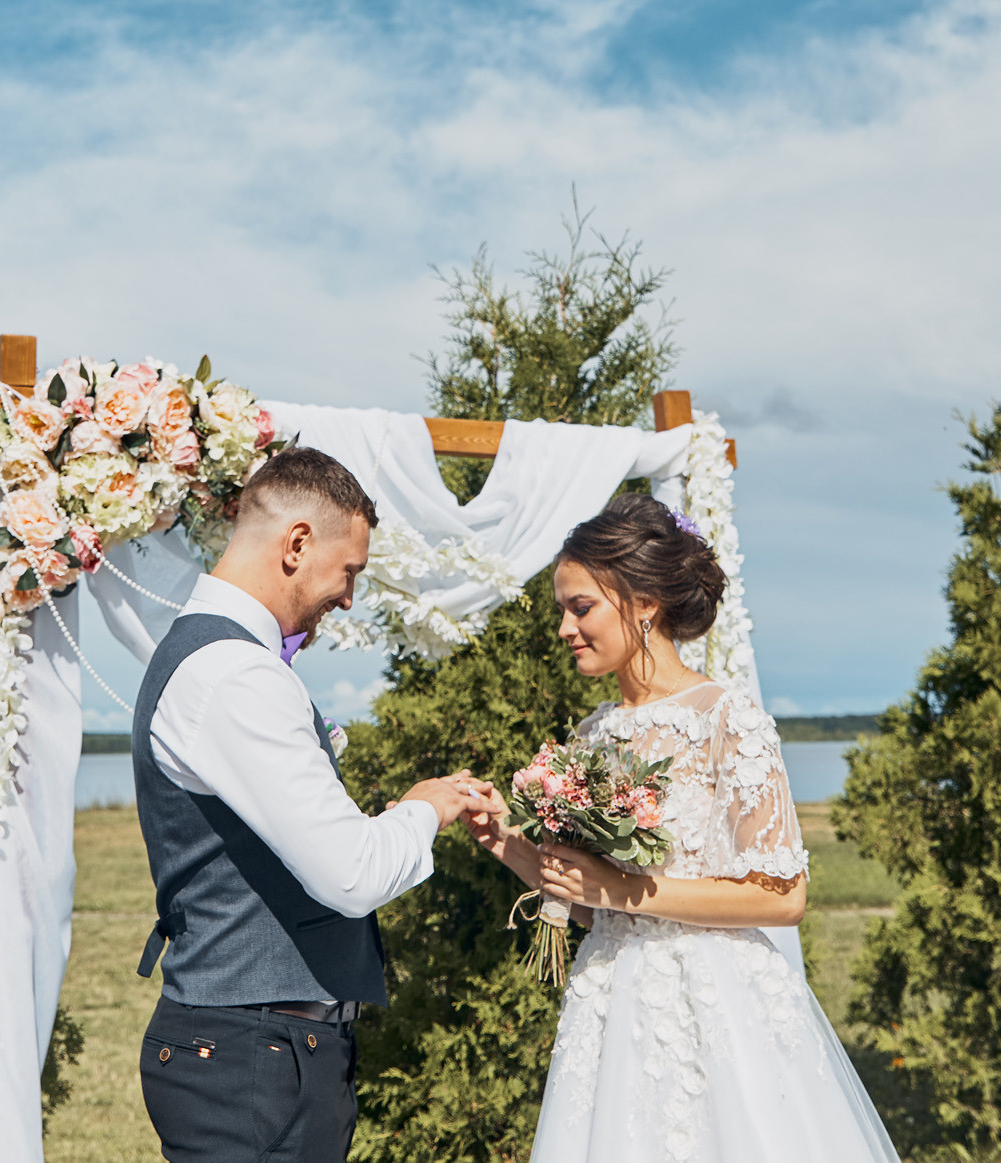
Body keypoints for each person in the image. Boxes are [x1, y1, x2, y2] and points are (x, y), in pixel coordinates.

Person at [471, 492, 899, 1163]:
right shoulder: (593, 734)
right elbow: (591, 905)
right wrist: (504, 838)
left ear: (643, 603)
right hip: (612, 1007)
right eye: (562, 609)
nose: (563, 628)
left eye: (580, 606)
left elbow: (782, 896)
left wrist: (618, 890)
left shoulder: (727, 720)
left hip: (716, 1010)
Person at [133, 446, 502, 1163]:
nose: (349, 596)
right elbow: (350, 875)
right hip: (252, 1061)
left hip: (258, 1052)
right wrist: (427, 808)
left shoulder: (214, 657)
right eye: (350, 570)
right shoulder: (235, 674)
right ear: (297, 543)